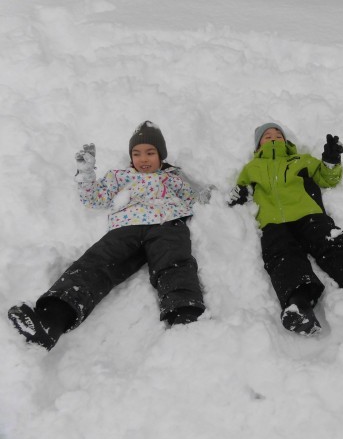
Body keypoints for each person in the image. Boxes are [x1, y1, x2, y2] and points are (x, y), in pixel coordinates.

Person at [7, 121, 208, 350]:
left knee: (174, 262)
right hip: (128, 226)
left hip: (167, 223)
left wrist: (209, 195)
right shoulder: (120, 177)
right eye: (136, 154)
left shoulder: (173, 178)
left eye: (150, 153)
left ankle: (185, 316)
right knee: (96, 262)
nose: (143, 159)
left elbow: (195, 197)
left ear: (161, 155)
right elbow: (93, 199)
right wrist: (86, 174)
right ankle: (51, 319)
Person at [229, 122, 343, 336]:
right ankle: (299, 305)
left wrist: (331, 160)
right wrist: (238, 196)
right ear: (258, 146)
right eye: (267, 136)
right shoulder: (251, 168)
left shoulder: (300, 160)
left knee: (332, 243)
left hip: (309, 214)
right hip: (273, 222)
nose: (274, 137)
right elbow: (241, 193)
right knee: (282, 257)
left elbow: (327, 179)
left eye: (278, 134)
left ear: (286, 140)